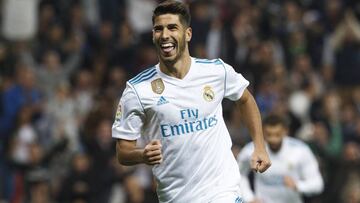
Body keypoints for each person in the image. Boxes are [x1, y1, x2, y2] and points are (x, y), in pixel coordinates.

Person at [112, 1, 271, 202]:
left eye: (172, 27)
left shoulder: (215, 71)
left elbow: (245, 99)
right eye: (158, 29)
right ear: (153, 36)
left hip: (223, 191)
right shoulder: (137, 90)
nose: (165, 35)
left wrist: (259, 145)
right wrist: (142, 155)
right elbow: (123, 152)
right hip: (176, 196)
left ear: (188, 34)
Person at [237, 114, 324, 203]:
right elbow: (238, 175)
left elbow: (318, 184)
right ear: (262, 132)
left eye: (277, 134)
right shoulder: (252, 150)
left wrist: (298, 185)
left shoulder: (300, 150)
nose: (273, 139)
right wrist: (249, 198)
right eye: (269, 134)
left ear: (285, 131)